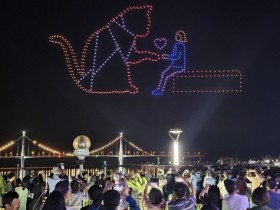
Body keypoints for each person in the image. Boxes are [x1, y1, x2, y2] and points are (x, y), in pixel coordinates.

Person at [152, 30, 187, 95]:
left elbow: (176, 57)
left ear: (180, 37)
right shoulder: (182, 45)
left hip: (177, 66)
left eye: (177, 36)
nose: (176, 37)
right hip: (177, 65)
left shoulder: (179, 45)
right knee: (164, 74)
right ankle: (159, 90)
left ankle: (160, 91)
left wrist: (166, 56)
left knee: (164, 74)